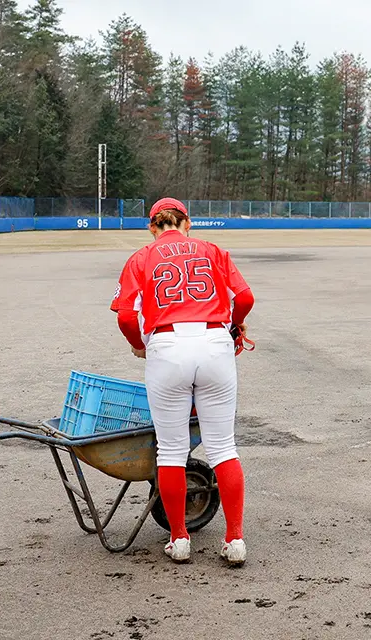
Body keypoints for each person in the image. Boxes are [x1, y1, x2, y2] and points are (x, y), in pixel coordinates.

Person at [111, 198, 254, 566]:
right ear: (187, 222)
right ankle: (235, 539)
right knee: (223, 447)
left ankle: (179, 539)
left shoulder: (142, 257)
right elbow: (246, 298)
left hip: (168, 346)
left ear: (152, 226)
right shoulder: (212, 250)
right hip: (214, 343)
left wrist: (140, 345)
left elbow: (127, 317)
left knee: (171, 452)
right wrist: (234, 325)